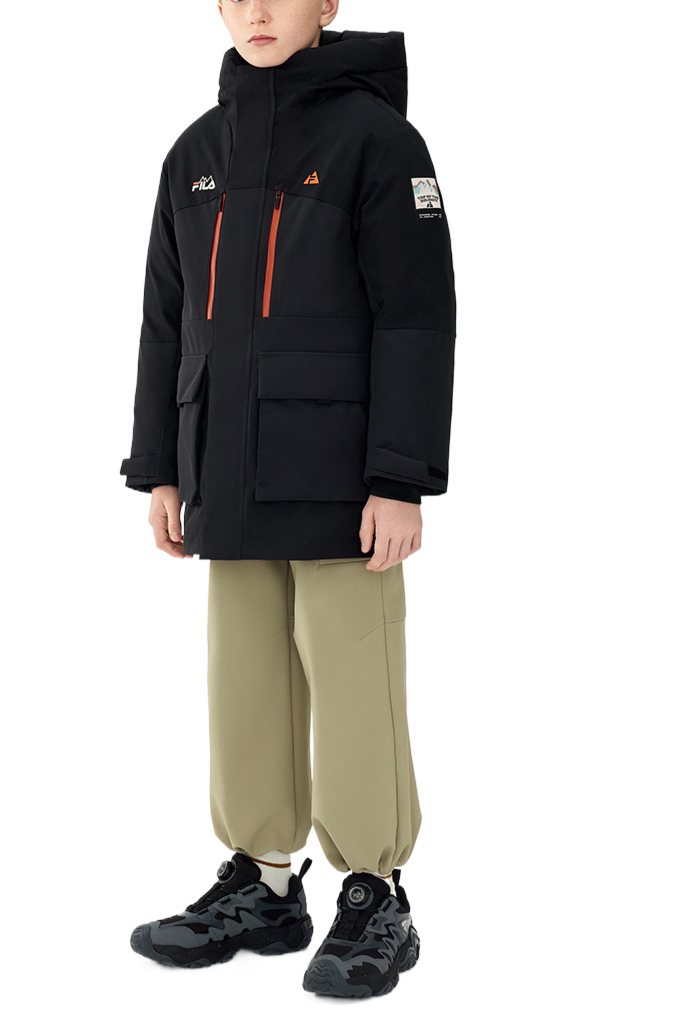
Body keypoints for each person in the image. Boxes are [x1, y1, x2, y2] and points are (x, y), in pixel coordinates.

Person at [120, 1, 456, 999]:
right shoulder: (195, 154)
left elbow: (417, 316)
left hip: (342, 479)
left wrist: (399, 477)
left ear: (329, 4)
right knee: (246, 682)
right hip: (223, 469)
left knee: (354, 680)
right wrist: (160, 465)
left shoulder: (377, 143)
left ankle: (376, 892)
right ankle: (266, 884)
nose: (257, 11)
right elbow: (163, 321)